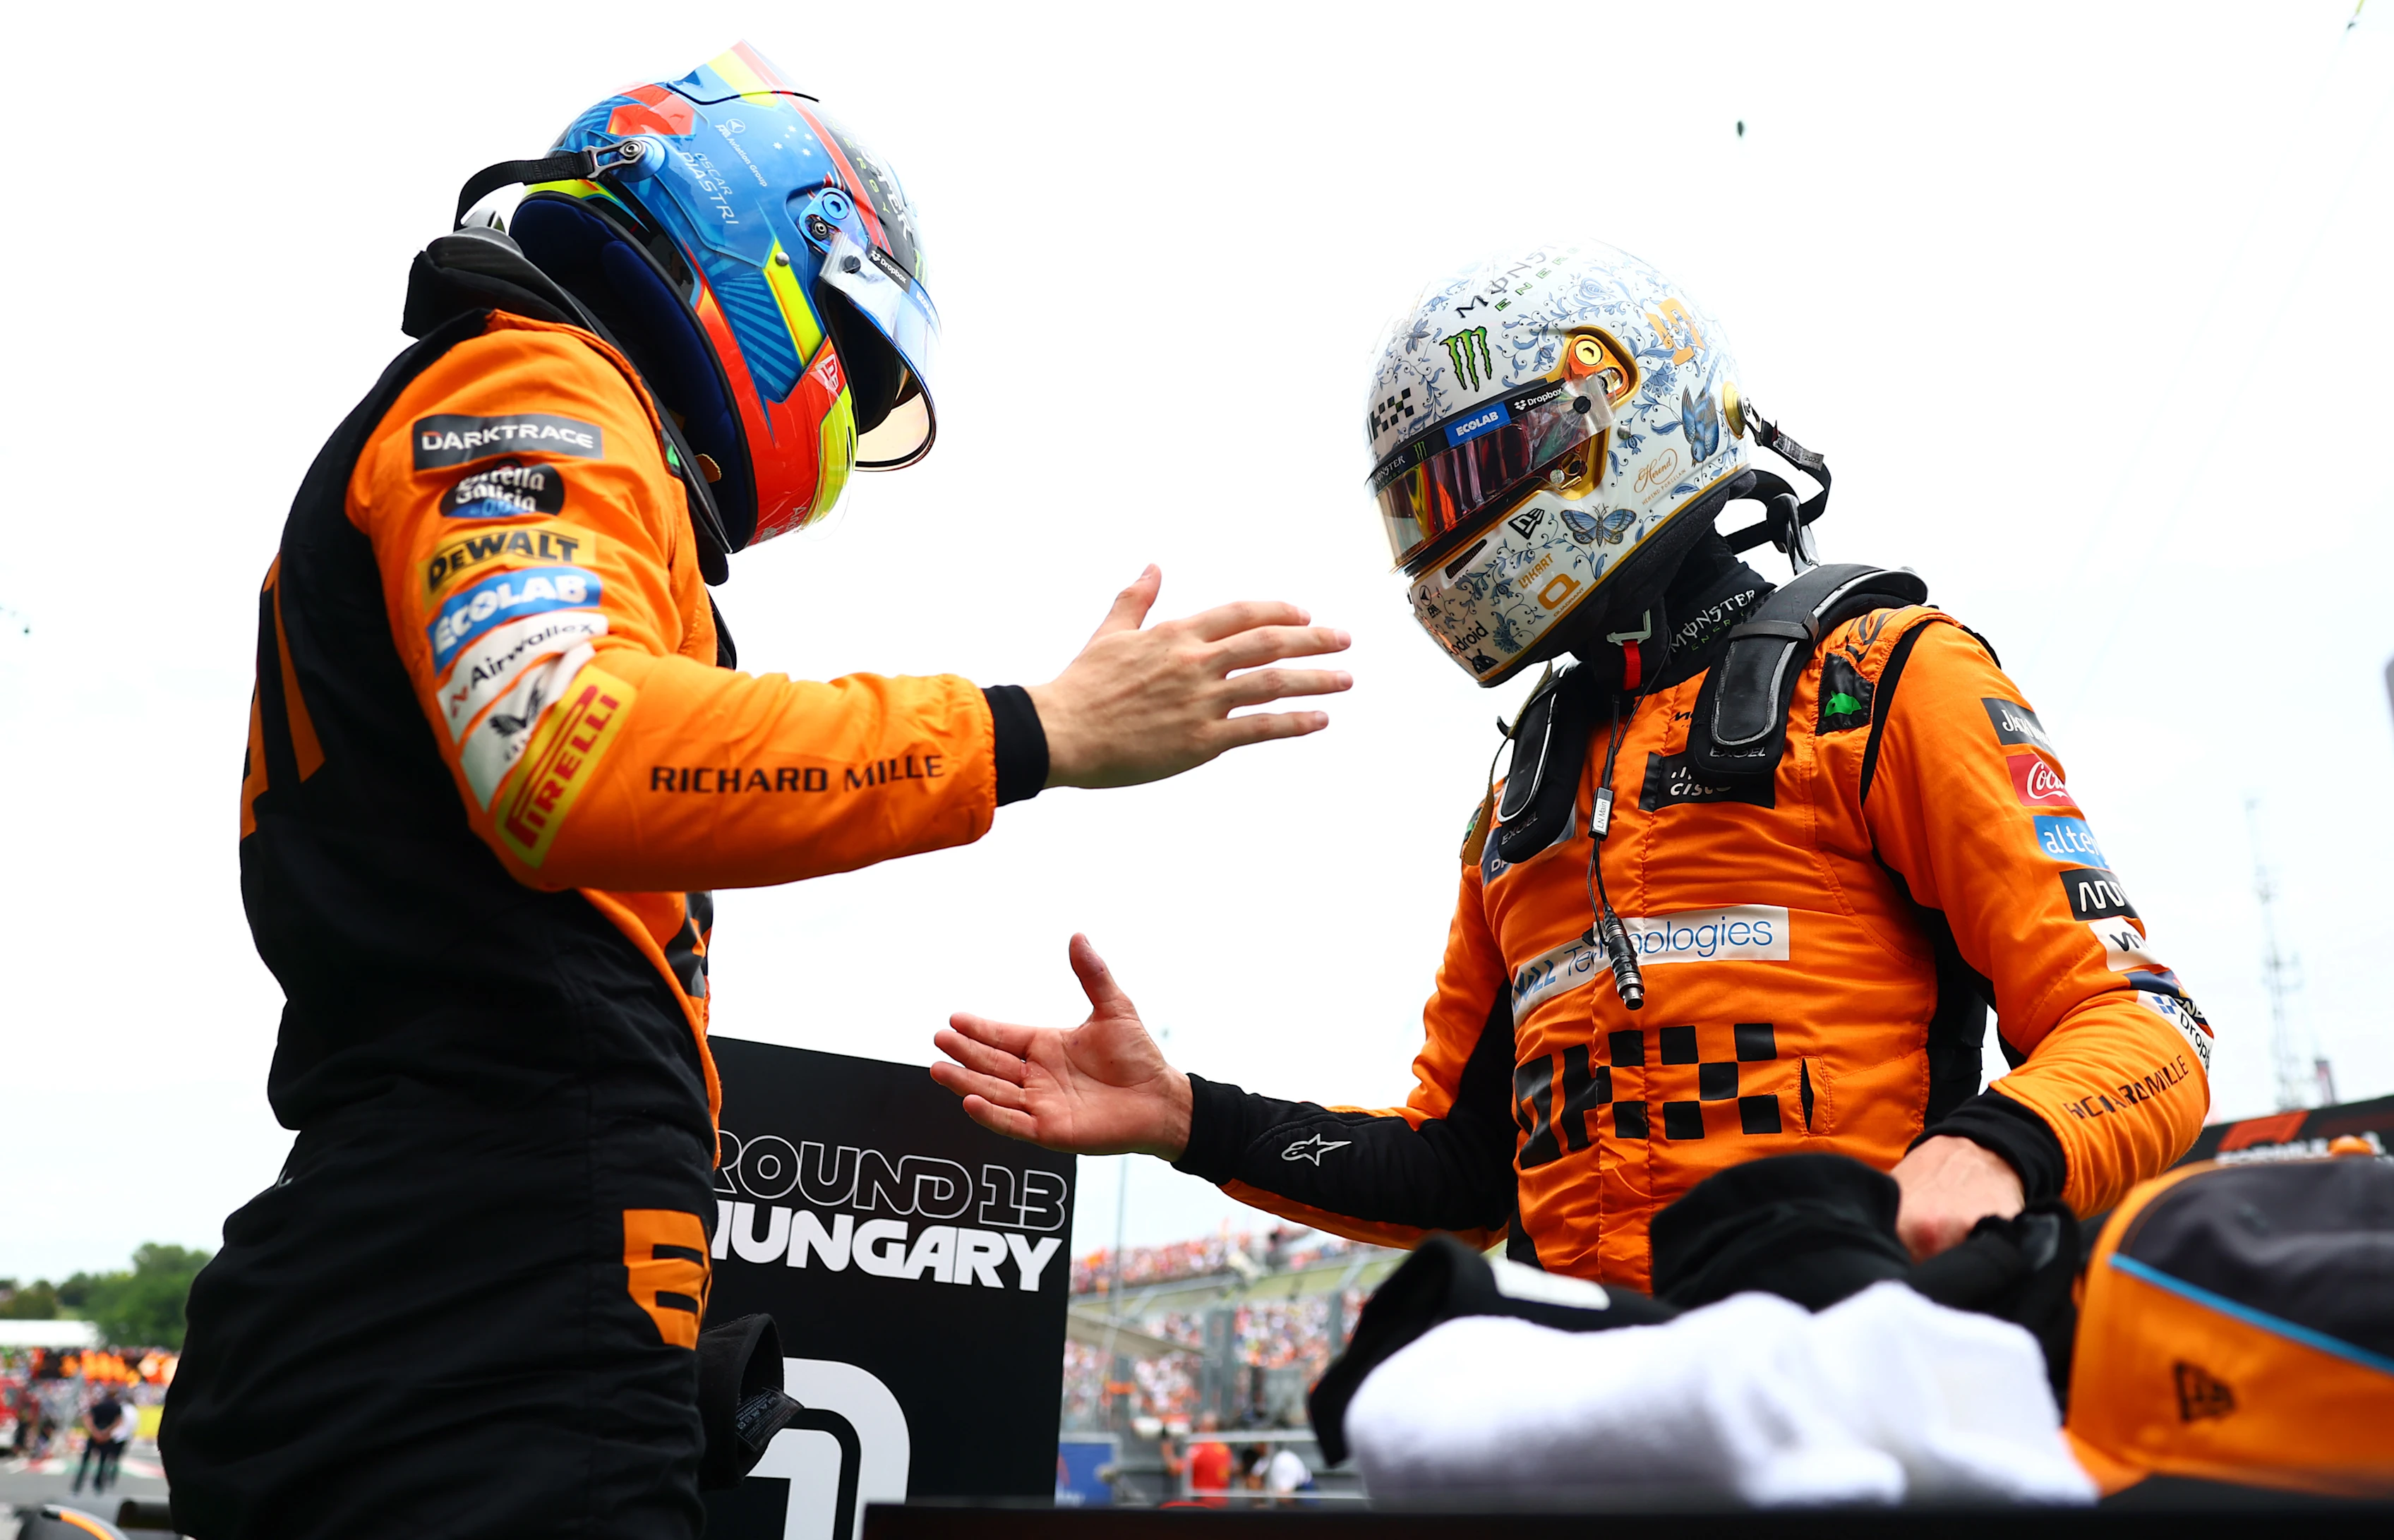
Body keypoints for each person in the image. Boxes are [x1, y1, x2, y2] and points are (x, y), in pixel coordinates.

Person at [160, 43, 1349, 1540]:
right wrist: (1028, 728)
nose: (841, 414)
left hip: (469, 1298)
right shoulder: (530, 382)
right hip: (470, 1319)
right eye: (845, 358)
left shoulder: (559, 426)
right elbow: (565, 751)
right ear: (760, 259)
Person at [934, 241, 2214, 1286]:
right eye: (1420, 502)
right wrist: (1184, 1117)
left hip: (1848, 1373)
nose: (1447, 529)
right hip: (1597, 1408)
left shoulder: (1880, 680)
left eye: (1479, 472)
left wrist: (1993, 1153)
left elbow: (2142, 1024)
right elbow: (1458, 1171)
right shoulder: (1523, 794)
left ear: (1620, 415)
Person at [71, 1389, 128, 1495]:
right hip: (107, 1437)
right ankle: (98, 1485)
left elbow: (88, 1418)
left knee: (85, 1463)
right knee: (102, 1463)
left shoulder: (97, 1405)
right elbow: (119, 1421)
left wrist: (95, 1432)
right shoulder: (117, 1407)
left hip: (94, 1436)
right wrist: (107, 1432)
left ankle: (77, 1485)